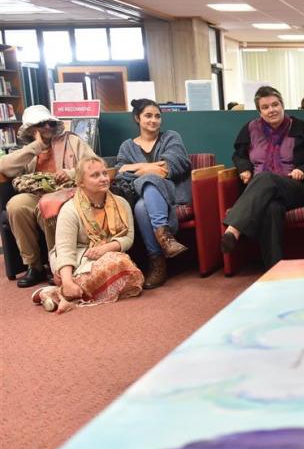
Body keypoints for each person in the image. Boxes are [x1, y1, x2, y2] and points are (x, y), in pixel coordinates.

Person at [220, 86, 304, 269]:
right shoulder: (250, 129)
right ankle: (274, 269)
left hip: (295, 188)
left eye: (275, 104)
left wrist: (303, 169)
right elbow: (238, 155)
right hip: (263, 194)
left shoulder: (299, 126)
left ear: (282, 105)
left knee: (265, 178)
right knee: (271, 208)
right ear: (259, 111)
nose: (271, 110)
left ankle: (234, 229)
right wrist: (244, 168)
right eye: (265, 107)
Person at [31, 155, 143, 313]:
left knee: (128, 271)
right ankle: (68, 289)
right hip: (73, 259)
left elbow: (128, 238)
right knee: (115, 264)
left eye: (104, 173)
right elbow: (64, 248)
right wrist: (68, 280)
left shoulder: (121, 203)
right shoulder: (70, 209)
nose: (104, 178)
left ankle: (57, 294)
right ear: (80, 182)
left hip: (106, 254)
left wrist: (106, 248)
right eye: (95, 175)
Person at [0, 105, 95, 287]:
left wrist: (71, 173)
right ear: (31, 128)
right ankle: (34, 266)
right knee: (16, 205)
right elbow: (4, 167)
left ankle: (58, 264)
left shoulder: (72, 141)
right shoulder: (27, 150)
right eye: (42, 124)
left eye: (51, 123)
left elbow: (93, 164)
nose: (48, 128)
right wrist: (36, 146)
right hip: (35, 194)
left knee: (48, 204)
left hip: (67, 191)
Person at [115, 98, 192, 289]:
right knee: (142, 205)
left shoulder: (171, 137)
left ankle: (157, 262)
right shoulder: (127, 146)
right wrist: (149, 167)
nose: (153, 120)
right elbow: (119, 172)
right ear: (137, 118)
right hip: (140, 197)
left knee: (150, 181)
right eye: (148, 116)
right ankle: (164, 241)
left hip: (174, 194)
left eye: (157, 116)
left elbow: (173, 165)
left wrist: (138, 170)